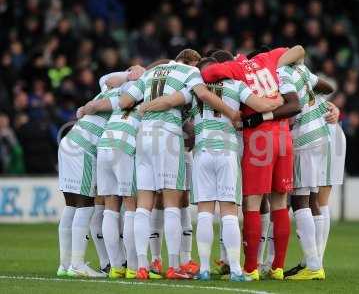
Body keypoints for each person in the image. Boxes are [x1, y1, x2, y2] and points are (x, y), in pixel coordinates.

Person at [81, 49, 240, 280]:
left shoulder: (151, 73)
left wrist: (94, 106)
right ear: (188, 62)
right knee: (172, 200)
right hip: (167, 136)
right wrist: (230, 112)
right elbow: (203, 95)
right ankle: (175, 265)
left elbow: (125, 100)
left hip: (143, 135)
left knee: (144, 204)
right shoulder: (190, 71)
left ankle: (142, 266)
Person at [201, 45, 305, 280]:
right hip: (283, 136)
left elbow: (208, 74)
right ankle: (277, 267)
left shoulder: (235, 68)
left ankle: (250, 269)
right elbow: (299, 49)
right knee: (280, 201)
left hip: (259, 137)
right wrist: (273, 67)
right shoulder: (268, 58)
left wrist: (228, 71)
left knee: (252, 203)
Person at [189, 57, 283, 281]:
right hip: (227, 151)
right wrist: (278, 100)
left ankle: (203, 269)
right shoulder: (236, 85)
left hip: (202, 151)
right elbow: (261, 106)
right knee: (229, 211)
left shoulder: (195, 88)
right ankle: (235, 270)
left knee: (204, 211)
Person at [57, 67, 141, 278]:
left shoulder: (105, 88)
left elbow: (105, 78)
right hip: (85, 147)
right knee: (85, 207)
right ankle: (76, 265)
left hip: (69, 142)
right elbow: (98, 103)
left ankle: (65, 265)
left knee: (71, 206)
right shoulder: (120, 95)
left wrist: (84, 109)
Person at [276, 63, 333, 280]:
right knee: (311, 199)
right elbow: (327, 87)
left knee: (300, 200)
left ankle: (313, 265)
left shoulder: (281, 74)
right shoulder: (300, 69)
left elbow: (293, 107)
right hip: (321, 134)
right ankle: (315, 261)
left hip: (304, 139)